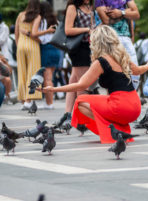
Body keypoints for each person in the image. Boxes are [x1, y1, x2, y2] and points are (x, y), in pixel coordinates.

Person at [39, 25, 148, 144]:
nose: (90, 42)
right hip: (135, 106)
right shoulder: (121, 57)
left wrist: (53, 89)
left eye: (91, 39)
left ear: (98, 42)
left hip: (121, 107)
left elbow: (80, 85)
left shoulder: (101, 62)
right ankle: (119, 129)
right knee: (104, 99)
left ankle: (113, 129)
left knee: (80, 102)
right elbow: (139, 70)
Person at [55, 0, 94, 129]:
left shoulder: (89, 6)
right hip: (78, 48)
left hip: (88, 47)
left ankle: (67, 114)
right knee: (83, 83)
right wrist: (87, 29)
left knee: (74, 80)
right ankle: (82, 118)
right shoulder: (73, 7)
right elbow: (68, 30)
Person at [95, 0, 141, 88]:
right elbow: (106, 20)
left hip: (126, 38)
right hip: (110, 38)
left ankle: (132, 95)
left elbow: (136, 14)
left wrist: (121, 12)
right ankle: (115, 97)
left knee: (134, 70)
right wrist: (126, 12)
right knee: (113, 72)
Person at [32, 1, 61, 109]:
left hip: (46, 49)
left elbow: (35, 34)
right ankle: (49, 102)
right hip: (56, 49)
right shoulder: (56, 21)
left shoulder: (41, 19)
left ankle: (49, 103)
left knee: (47, 78)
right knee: (50, 77)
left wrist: (40, 37)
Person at [15, 0, 42, 110]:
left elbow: (16, 32)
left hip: (20, 45)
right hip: (32, 46)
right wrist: (40, 40)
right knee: (33, 72)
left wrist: (18, 45)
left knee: (22, 72)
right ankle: (28, 100)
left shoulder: (21, 15)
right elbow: (34, 33)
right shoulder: (37, 16)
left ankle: (23, 100)